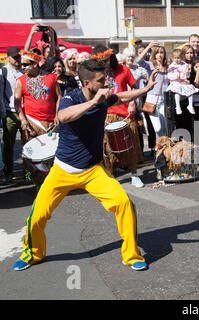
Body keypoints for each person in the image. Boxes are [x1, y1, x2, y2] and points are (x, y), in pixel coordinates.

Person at [12, 59, 159, 272]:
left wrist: (145, 89)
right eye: (101, 80)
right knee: (36, 216)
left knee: (125, 203)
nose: (107, 83)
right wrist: (94, 102)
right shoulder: (71, 98)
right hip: (63, 170)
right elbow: (63, 116)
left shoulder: (104, 96)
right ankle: (33, 253)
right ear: (87, 83)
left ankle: (131, 254)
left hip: (93, 170)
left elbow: (121, 97)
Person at [93, 46, 145, 188]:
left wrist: (132, 103)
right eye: (101, 61)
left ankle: (134, 175)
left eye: (106, 60)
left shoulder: (124, 69)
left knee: (131, 145)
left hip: (124, 113)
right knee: (106, 149)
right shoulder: (96, 74)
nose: (105, 64)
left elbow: (135, 89)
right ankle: (111, 177)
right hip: (105, 115)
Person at [15, 50, 61, 140]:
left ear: (35, 64)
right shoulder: (21, 80)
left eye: (25, 65)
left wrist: (57, 115)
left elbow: (59, 97)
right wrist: (23, 119)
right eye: (21, 65)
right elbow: (17, 102)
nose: (22, 67)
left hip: (51, 123)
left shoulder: (51, 78)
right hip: (32, 122)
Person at [0, 47, 25, 182]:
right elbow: (1, 93)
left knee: (27, 143)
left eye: (19, 56)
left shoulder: (24, 70)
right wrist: (3, 113)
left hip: (25, 112)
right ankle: (8, 172)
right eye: (15, 57)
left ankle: (28, 172)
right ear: (8, 57)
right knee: (9, 144)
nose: (17, 59)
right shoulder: (3, 71)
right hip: (10, 113)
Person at [143, 46, 169, 153]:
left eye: (161, 52)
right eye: (157, 53)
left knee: (164, 129)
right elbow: (138, 61)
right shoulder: (150, 65)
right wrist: (148, 46)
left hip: (164, 99)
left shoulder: (168, 67)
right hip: (152, 98)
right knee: (157, 128)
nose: (159, 55)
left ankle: (162, 151)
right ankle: (161, 149)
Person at [166, 49, 198, 115]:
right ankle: (178, 106)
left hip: (182, 82)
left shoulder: (184, 65)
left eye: (179, 58)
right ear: (172, 58)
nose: (177, 59)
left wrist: (187, 72)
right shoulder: (171, 66)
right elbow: (169, 76)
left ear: (182, 58)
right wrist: (175, 76)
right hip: (175, 83)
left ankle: (190, 105)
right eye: (175, 58)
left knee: (190, 89)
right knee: (177, 92)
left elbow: (186, 76)